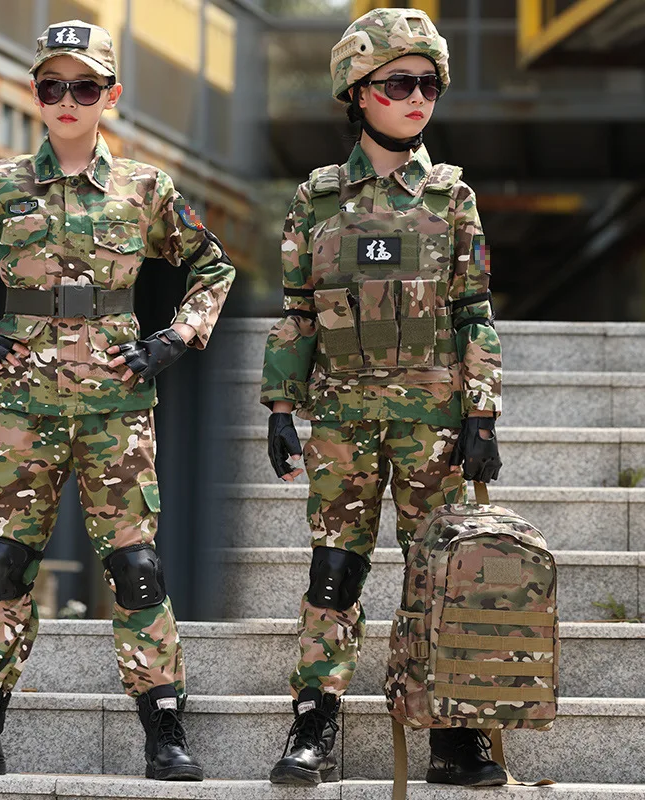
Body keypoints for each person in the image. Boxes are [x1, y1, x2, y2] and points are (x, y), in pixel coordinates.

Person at [0, 19, 234, 781]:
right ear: (36, 94)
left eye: (84, 86)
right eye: (52, 85)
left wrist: (174, 339)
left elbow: (212, 269)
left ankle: (163, 728)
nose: (66, 99)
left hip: (118, 405)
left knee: (136, 568)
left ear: (109, 96)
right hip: (22, 403)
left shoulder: (146, 189)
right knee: (3, 564)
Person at [261, 7, 503, 788]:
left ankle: (452, 736)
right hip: (340, 418)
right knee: (335, 572)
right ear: (357, 92)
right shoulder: (318, 199)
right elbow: (297, 310)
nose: (418, 97)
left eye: (429, 83)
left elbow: (473, 312)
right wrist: (277, 409)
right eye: (399, 82)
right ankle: (314, 726)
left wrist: (483, 413)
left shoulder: (450, 197)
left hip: (432, 421)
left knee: (438, 574)